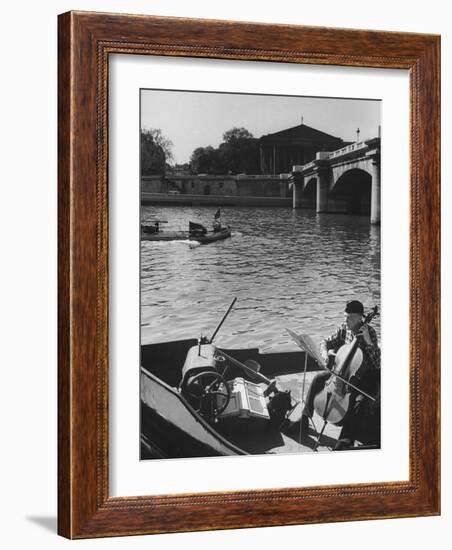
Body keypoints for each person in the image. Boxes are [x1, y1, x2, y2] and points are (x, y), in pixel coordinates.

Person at [299, 300, 381, 449]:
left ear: (359, 317)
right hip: (343, 373)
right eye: (345, 316)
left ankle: (345, 440)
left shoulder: (370, 332)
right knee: (318, 379)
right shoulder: (344, 328)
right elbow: (325, 342)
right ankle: (304, 419)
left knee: (359, 402)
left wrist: (368, 342)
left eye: (349, 317)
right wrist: (325, 353)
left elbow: (377, 363)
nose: (346, 320)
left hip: (364, 377)